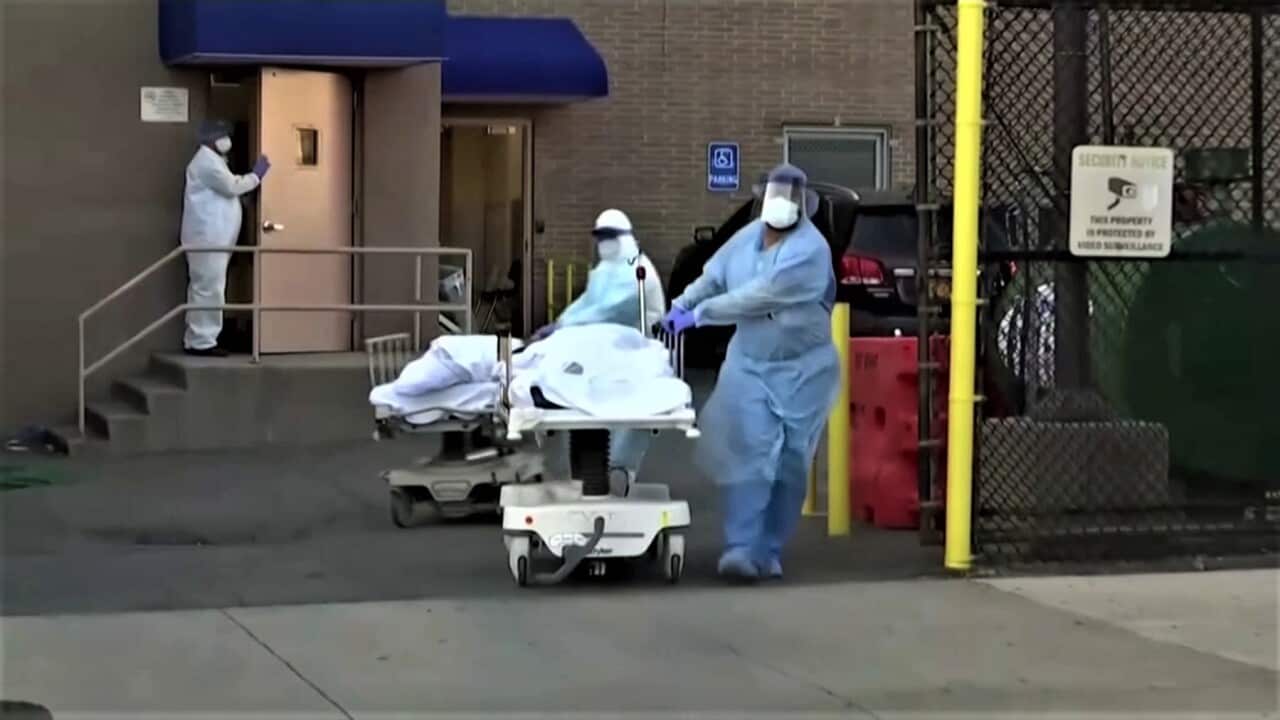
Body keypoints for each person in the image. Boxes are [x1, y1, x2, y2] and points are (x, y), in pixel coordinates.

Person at [664, 163, 839, 582]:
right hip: (749, 366)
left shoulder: (810, 252)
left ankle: (769, 547)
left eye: (789, 197)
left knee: (791, 462)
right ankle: (741, 547)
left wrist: (700, 316)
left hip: (803, 373)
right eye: (774, 195)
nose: (780, 205)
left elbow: (758, 297)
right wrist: (682, 304)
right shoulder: (745, 240)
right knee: (751, 452)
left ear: (802, 204)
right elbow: (714, 276)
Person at [534, 209, 666, 486]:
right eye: (600, 237)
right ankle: (585, 469)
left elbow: (606, 309)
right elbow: (587, 303)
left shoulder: (635, 270)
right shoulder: (607, 269)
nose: (603, 243)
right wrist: (559, 322)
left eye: (609, 237)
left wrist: (560, 329)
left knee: (631, 412)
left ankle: (621, 469)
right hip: (606, 344)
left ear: (624, 238)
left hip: (636, 349)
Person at [179, 120, 270, 357]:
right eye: (222, 135)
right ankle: (203, 342)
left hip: (211, 239)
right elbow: (232, 186)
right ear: (210, 138)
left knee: (205, 288)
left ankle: (197, 338)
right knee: (209, 289)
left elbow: (222, 195)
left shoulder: (213, 161)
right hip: (207, 239)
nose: (226, 139)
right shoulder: (206, 162)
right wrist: (256, 176)